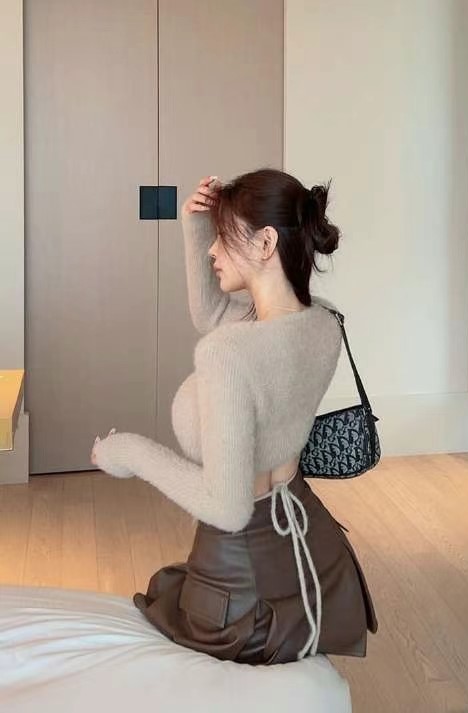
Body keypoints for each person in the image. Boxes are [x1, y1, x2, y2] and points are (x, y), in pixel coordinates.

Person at [91, 168, 377, 665]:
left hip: (240, 592)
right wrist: (195, 224)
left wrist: (127, 452)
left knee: (168, 593)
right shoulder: (322, 323)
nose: (212, 250)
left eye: (223, 237)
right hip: (306, 555)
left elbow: (226, 508)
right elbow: (211, 314)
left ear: (266, 242)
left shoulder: (231, 353)